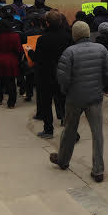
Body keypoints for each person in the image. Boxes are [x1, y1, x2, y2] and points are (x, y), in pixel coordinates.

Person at [50, 21, 108, 183]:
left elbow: (63, 77)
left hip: (74, 98)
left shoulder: (69, 52)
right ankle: (98, 170)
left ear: (74, 35)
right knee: (97, 134)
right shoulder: (101, 49)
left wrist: (66, 91)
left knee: (70, 130)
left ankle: (63, 160)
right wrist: (101, 86)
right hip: (95, 98)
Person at [30, 10, 72, 138]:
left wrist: (31, 53)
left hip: (46, 75)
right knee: (65, 102)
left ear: (47, 23)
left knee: (46, 103)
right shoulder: (68, 37)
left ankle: (48, 129)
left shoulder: (43, 39)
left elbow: (38, 58)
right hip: (63, 74)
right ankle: (71, 130)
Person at [0, 19, 22, 108]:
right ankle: (11, 103)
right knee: (11, 82)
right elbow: (18, 50)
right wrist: (18, 60)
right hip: (11, 60)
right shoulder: (15, 36)